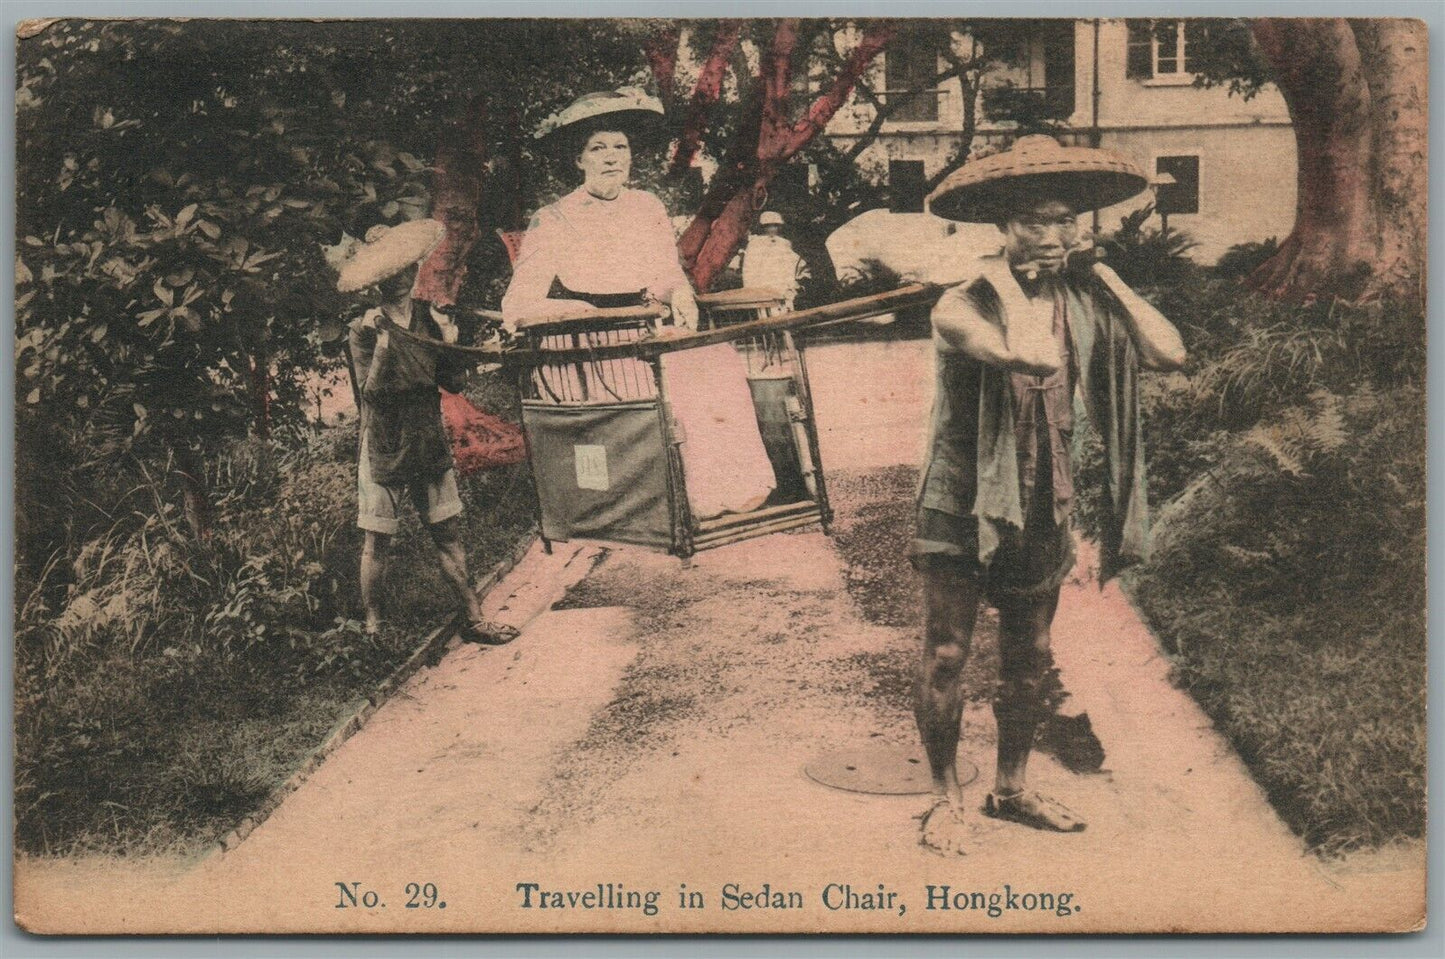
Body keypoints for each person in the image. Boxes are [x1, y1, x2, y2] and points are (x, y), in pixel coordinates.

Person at [911, 135, 1186, 854]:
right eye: (1037, 220)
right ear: (1004, 226)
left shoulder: (1082, 294)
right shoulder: (960, 300)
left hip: (1040, 497)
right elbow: (1030, 353)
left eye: (1067, 220)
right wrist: (1000, 278)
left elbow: (1170, 351)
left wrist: (1111, 280)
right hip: (959, 498)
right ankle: (944, 799)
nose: (1057, 234)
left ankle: (1010, 787)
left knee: (1029, 654)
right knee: (946, 652)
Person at [502, 88, 775, 519]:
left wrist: (680, 293)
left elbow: (666, 274)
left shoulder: (646, 207)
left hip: (643, 330)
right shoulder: (553, 218)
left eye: (620, 147)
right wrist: (573, 311)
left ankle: (729, 491)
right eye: (598, 149)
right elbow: (517, 303)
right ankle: (678, 500)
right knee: (673, 381)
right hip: (587, 346)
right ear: (579, 160)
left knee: (716, 360)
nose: (612, 157)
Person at [338, 219, 519, 645]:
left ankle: (474, 619)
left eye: (403, 270)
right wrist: (381, 348)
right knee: (377, 539)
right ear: (376, 281)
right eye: (386, 274)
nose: (396, 279)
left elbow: (453, 383)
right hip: (384, 437)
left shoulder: (428, 317)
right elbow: (370, 394)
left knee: (447, 533)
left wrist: (450, 338)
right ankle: (373, 629)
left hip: (425, 432)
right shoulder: (362, 328)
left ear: (414, 269)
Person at [741, 211, 809, 311]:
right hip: (762, 290)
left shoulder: (784, 243)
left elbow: (795, 263)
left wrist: (795, 282)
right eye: (768, 226)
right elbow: (749, 270)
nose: (773, 229)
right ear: (763, 227)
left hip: (783, 289)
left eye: (776, 225)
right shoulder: (754, 244)